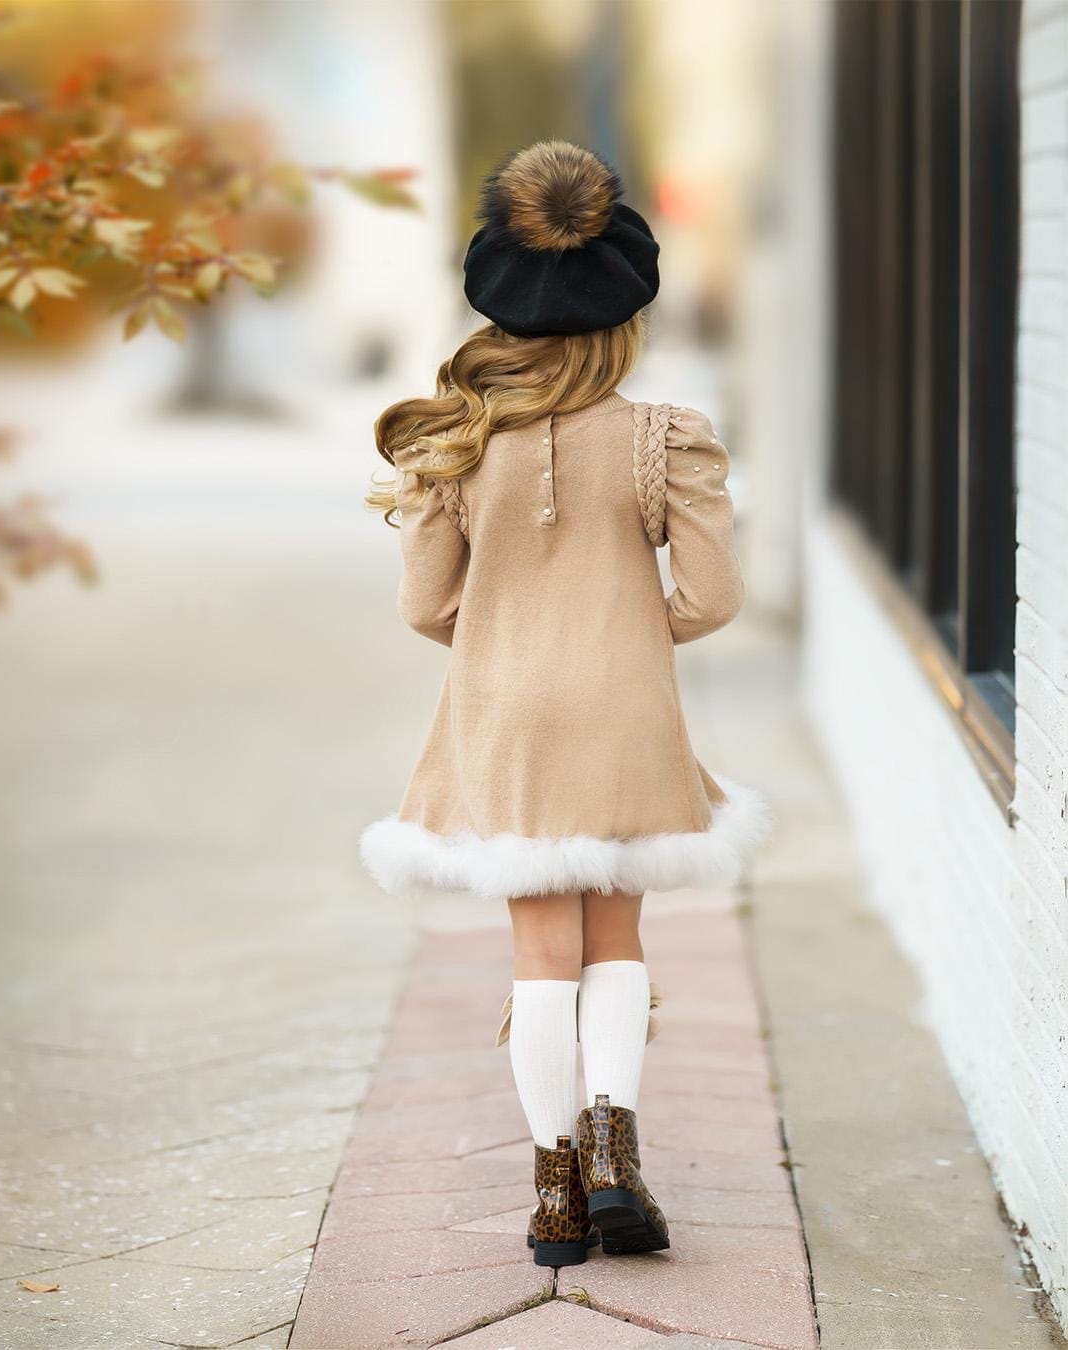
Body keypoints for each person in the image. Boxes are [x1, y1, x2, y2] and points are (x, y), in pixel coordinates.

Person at [360, 139, 770, 1267]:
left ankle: (552, 1197)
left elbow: (425, 606)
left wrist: (503, 634)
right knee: (617, 935)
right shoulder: (664, 437)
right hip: (627, 710)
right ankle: (615, 1148)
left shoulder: (454, 440)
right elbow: (715, 594)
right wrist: (637, 634)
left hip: (505, 716)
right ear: (623, 315)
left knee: (539, 949)